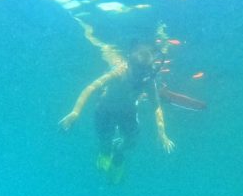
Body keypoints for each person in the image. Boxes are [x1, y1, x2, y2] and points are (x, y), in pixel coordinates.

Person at [60, 18, 174, 182]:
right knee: (104, 140)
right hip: (105, 110)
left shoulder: (148, 80)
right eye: (139, 71)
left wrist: (162, 133)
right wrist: (75, 112)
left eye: (145, 71)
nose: (141, 76)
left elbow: (156, 106)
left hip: (127, 112)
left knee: (132, 142)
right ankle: (106, 151)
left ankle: (118, 150)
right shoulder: (119, 72)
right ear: (130, 65)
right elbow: (91, 88)